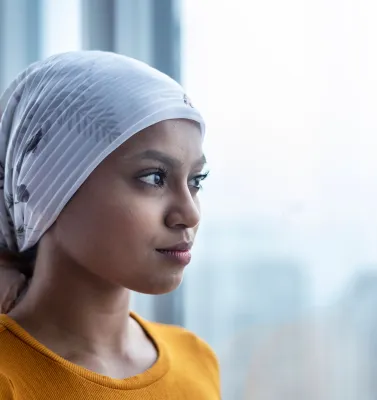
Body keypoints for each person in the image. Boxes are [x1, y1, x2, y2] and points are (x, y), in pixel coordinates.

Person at [0, 51, 219, 399]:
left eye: (196, 180)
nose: (190, 213)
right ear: (46, 189)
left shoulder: (197, 360)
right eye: (154, 177)